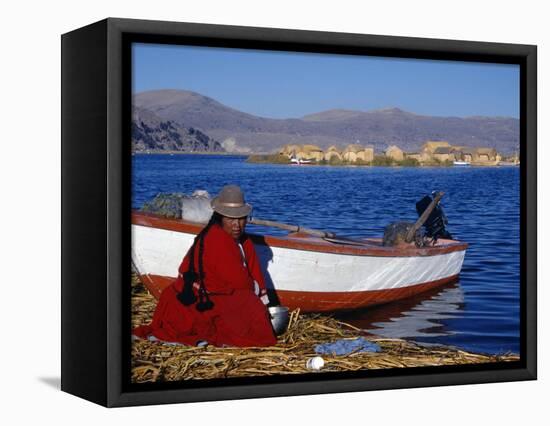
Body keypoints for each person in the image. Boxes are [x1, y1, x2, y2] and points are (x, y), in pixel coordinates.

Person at [133, 185, 277, 347]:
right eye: (230, 219)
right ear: (220, 217)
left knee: (251, 302)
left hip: (214, 292)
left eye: (241, 218)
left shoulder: (244, 241)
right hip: (197, 297)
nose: (236, 225)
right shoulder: (217, 238)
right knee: (250, 304)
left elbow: (252, 271)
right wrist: (256, 297)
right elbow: (239, 282)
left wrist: (262, 298)